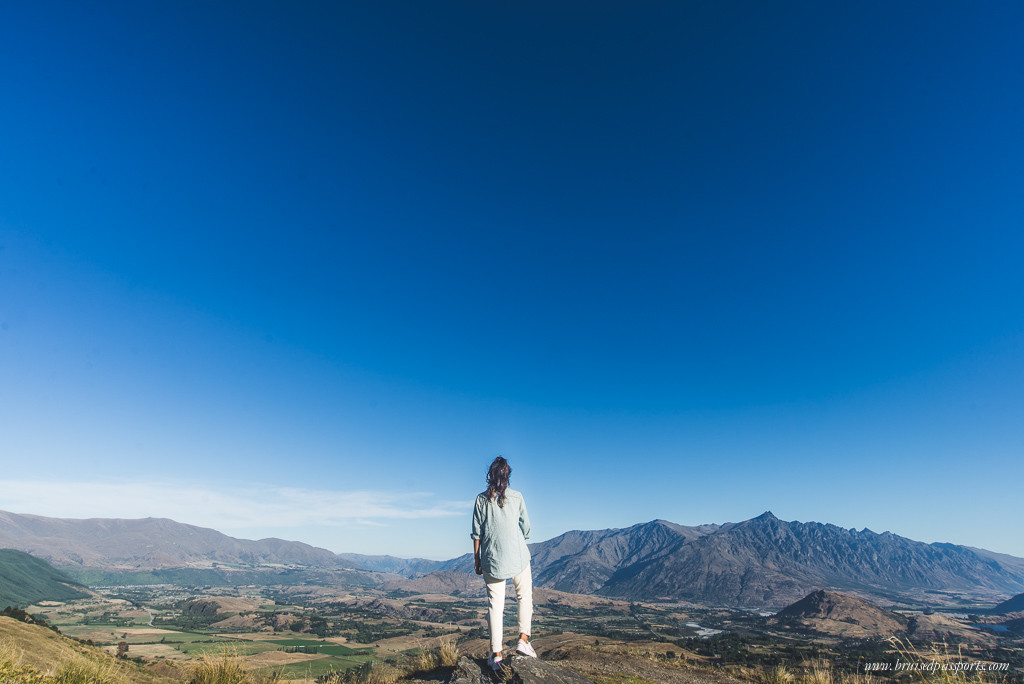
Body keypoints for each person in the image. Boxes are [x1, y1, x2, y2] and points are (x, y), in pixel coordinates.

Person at [471, 456, 536, 670]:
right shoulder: (517, 497)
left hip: (492, 559)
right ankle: (523, 640)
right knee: (524, 596)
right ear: (507, 476)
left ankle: (496, 655)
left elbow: (476, 533)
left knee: (495, 606)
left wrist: (477, 559)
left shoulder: (481, 500)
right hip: (518, 556)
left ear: (490, 475)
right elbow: (526, 528)